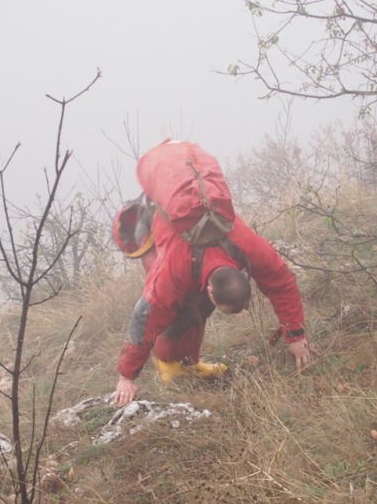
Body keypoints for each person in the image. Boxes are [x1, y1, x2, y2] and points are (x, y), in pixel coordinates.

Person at [114, 145, 312, 407]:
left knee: (195, 306)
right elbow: (145, 316)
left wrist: (295, 335)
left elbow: (281, 282)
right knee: (181, 309)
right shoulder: (173, 270)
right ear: (210, 289)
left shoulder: (246, 245)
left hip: (190, 241)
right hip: (148, 230)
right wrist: (126, 376)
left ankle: (186, 362)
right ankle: (171, 365)